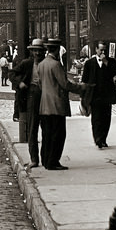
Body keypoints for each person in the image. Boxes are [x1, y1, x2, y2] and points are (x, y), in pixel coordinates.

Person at [35, 39, 71, 170]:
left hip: (44, 106)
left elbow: (40, 84)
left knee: (47, 135)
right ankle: (53, 161)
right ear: (56, 50)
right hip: (56, 105)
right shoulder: (56, 65)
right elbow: (65, 84)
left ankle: (45, 159)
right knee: (58, 135)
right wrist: (82, 88)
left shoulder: (41, 64)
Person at [80, 41, 116, 149]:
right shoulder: (89, 63)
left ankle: (103, 139)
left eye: (104, 50)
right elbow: (85, 80)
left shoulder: (110, 61)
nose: (103, 52)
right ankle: (97, 138)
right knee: (96, 118)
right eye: (101, 49)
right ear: (96, 50)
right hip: (95, 95)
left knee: (106, 118)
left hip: (107, 95)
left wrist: (106, 62)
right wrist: (83, 96)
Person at [15, 39, 46, 168]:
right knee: (32, 128)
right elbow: (13, 73)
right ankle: (34, 159)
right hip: (32, 94)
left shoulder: (47, 63)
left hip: (45, 95)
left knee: (47, 128)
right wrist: (20, 82)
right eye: (35, 50)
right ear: (32, 51)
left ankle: (46, 158)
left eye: (40, 51)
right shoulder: (27, 63)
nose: (37, 53)